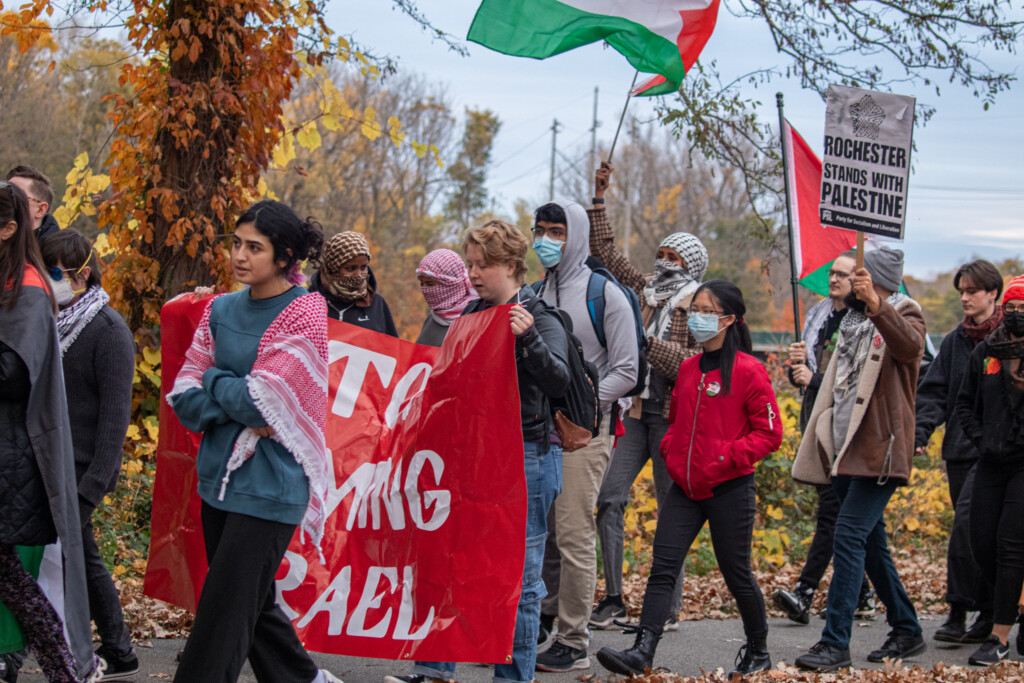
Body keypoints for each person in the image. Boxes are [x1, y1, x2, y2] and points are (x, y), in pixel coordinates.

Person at [385, 219, 570, 683]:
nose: (472, 273)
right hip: (472, 456)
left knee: (521, 581)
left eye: (482, 265)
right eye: (469, 263)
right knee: (449, 560)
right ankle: (433, 671)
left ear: (511, 266)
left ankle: (513, 677)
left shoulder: (539, 314)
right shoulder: (469, 313)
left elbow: (561, 384)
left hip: (526, 456)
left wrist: (529, 340)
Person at [167, 200, 341, 683]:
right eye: (237, 244)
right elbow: (184, 391)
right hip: (217, 481)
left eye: (254, 247)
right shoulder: (221, 309)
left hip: (271, 487)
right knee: (252, 602)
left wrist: (217, 382)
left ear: (285, 257)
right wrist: (236, 393)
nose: (239, 255)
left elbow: (261, 401)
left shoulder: (305, 312)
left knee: (224, 610)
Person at [595, 280, 782, 677]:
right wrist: (672, 452)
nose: (696, 316)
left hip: (729, 487)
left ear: (729, 319)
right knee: (663, 567)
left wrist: (724, 457)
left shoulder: (750, 371)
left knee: (737, 573)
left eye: (706, 311)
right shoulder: (687, 368)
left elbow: (770, 434)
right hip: (685, 486)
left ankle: (759, 649)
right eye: (694, 308)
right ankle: (642, 651)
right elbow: (675, 419)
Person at [793, 246, 927, 672]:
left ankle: (835, 642)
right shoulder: (848, 320)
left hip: (879, 451)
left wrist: (878, 306)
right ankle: (906, 628)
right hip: (844, 447)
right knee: (870, 545)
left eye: (852, 275)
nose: (842, 282)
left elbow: (908, 349)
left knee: (847, 537)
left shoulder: (904, 314)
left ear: (874, 280)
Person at [585, 162, 705, 634]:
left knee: (669, 509)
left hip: (673, 417)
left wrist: (642, 342)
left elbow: (690, 364)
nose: (664, 260)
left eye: (674, 255)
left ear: (691, 265)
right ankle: (614, 598)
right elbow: (606, 253)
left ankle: (665, 608)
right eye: (661, 252)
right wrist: (599, 199)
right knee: (607, 498)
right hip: (635, 414)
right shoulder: (645, 293)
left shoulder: (700, 303)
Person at [532, 196, 639, 673]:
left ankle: (574, 640)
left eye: (557, 232)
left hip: (584, 433)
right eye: (540, 230)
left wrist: (587, 398)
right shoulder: (531, 293)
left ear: (575, 235)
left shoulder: (604, 294)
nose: (546, 240)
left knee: (574, 534)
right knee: (544, 533)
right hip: (537, 432)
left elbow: (628, 369)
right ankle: (543, 616)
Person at [0, 180, 98, 682]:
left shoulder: (31, 289)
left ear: (9, 227)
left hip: (11, 456)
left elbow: (15, 374)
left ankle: (64, 667)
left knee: (13, 579)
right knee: (10, 579)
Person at [39, 229, 140, 678]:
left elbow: (114, 422)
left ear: (83, 274)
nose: (51, 279)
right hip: (47, 463)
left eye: (58, 272)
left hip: (81, 473)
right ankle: (120, 650)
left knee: (74, 556)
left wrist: (92, 488)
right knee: (83, 557)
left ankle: (54, 648)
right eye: (46, 270)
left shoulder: (108, 331)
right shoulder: (43, 321)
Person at [775, 251, 876, 624]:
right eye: (832, 273)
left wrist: (813, 378)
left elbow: (851, 381)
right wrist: (797, 368)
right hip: (815, 424)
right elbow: (805, 381)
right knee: (847, 515)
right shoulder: (818, 317)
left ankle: (804, 590)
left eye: (843, 275)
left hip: (843, 427)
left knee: (832, 512)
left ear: (858, 281)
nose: (834, 279)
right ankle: (865, 592)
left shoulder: (860, 321)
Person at [916, 260, 1003, 645]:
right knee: (976, 533)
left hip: (998, 453)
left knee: (971, 529)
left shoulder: (1008, 337)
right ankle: (982, 611)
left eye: (971, 291)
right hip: (959, 452)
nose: (965, 298)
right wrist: (921, 431)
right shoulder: (954, 341)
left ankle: (964, 610)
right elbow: (934, 391)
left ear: (993, 293)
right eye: (961, 292)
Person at [955, 275, 1024, 666]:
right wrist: (981, 438)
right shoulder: (987, 351)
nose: (1016, 315)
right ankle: (1018, 604)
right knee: (979, 541)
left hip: (1023, 464)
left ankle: (999, 635)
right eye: (1011, 308)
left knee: (1010, 544)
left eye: (1023, 309)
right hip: (990, 459)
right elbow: (965, 403)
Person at [309, 230, 397, 335]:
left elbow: (392, 348)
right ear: (333, 269)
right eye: (351, 268)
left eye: (363, 267)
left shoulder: (376, 304)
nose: (358, 274)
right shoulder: (309, 304)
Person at [415, 248, 476, 347]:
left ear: (451, 284)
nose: (425, 289)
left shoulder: (474, 318)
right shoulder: (431, 319)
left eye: (430, 284)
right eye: (422, 283)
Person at [5, 166, 58, 242]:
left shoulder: (58, 252)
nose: (6, 200)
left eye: (14, 196)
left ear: (40, 210)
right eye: (5, 193)